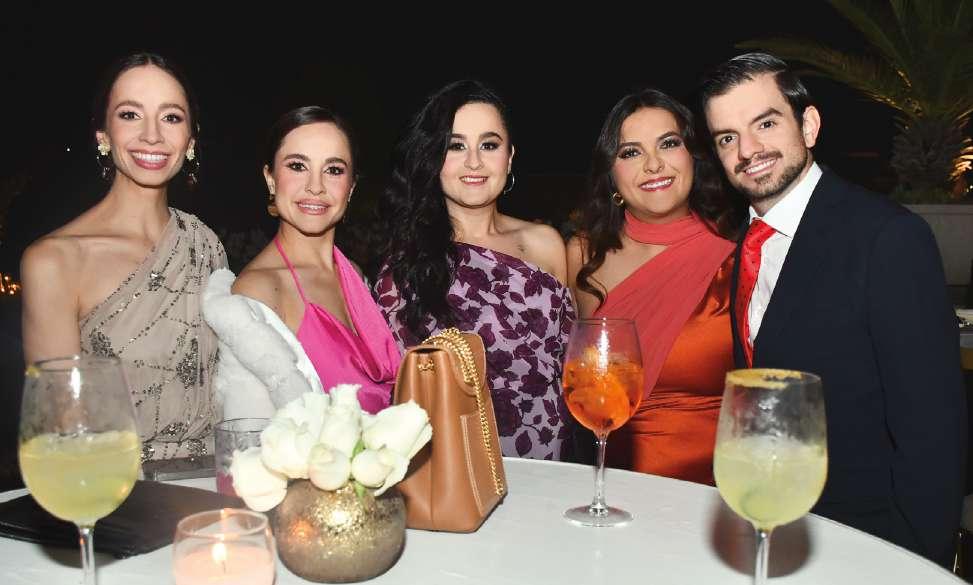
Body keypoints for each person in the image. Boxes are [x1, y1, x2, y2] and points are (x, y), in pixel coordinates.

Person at [699, 52, 967, 566]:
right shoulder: (745, 245)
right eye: (727, 138)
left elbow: (933, 431)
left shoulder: (888, 238)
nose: (747, 150)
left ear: (809, 125)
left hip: (868, 544)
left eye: (765, 124)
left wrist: (917, 564)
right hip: (770, 527)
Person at [20, 53, 227, 462]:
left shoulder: (205, 244)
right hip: (115, 489)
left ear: (191, 140)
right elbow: (62, 437)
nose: (152, 135)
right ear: (103, 134)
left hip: (220, 484)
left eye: (171, 117)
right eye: (130, 114)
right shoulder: (54, 262)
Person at [373, 80, 576, 460]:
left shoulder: (545, 243)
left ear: (510, 157)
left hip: (553, 462)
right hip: (458, 469)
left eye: (489, 145)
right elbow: (398, 398)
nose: (474, 162)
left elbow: (567, 368)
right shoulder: (406, 266)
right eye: (455, 146)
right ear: (434, 158)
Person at [567, 89, 737, 483]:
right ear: (611, 173)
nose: (654, 164)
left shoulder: (738, 259)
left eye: (669, 143)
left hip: (711, 495)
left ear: (693, 156)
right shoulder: (582, 256)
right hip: (606, 489)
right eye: (631, 152)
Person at [203, 106, 400, 418]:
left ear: (351, 187)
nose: (315, 186)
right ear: (270, 179)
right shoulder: (258, 291)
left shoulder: (353, 273)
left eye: (333, 170)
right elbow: (253, 435)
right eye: (298, 166)